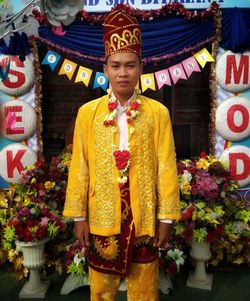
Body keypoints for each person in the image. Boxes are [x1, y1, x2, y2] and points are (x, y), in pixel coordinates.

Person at [63, 5, 180, 301]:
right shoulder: (87, 114)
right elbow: (80, 166)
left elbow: (166, 167)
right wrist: (78, 216)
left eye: (130, 65)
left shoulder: (158, 113)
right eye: (116, 65)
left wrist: (166, 218)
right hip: (103, 212)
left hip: (143, 214)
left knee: (144, 289)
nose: (123, 73)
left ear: (141, 68)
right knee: (101, 290)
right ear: (105, 69)